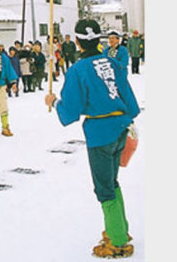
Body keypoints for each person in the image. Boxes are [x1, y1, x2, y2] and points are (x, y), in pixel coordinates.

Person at [45, 21, 140, 259]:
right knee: (112, 181)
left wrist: (54, 102)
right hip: (120, 127)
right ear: (100, 40)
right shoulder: (113, 63)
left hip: (100, 134)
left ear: (76, 42)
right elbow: (130, 99)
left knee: (104, 188)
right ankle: (119, 229)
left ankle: (118, 242)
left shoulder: (78, 69)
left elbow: (71, 110)